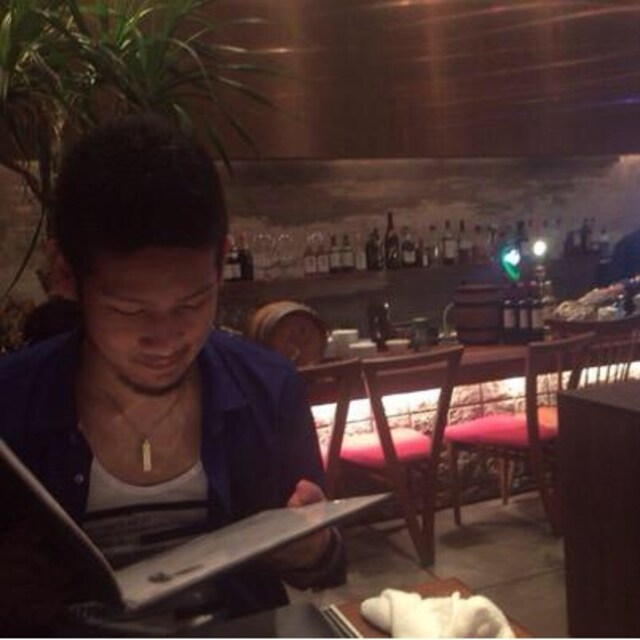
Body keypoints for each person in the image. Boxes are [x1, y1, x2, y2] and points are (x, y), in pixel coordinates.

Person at [0, 114, 345, 633]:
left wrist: (312, 549)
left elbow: (326, 566)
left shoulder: (269, 387)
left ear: (222, 260)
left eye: (192, 303)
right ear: (66, 274)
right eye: (129, 310)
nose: (166, 339)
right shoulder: (11, 403)